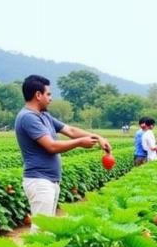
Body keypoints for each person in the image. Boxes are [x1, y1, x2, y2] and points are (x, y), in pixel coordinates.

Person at [14, 75, 111, 228]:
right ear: (38, 95)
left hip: (50, 180)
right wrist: (80, 143)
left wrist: (98, 137)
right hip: (40, 181)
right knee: (41, 230)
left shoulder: (44, 115)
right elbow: (51, 146)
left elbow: (70, 130)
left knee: (48, 229)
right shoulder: (28, 117)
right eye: (48, 94)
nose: (51, 98)